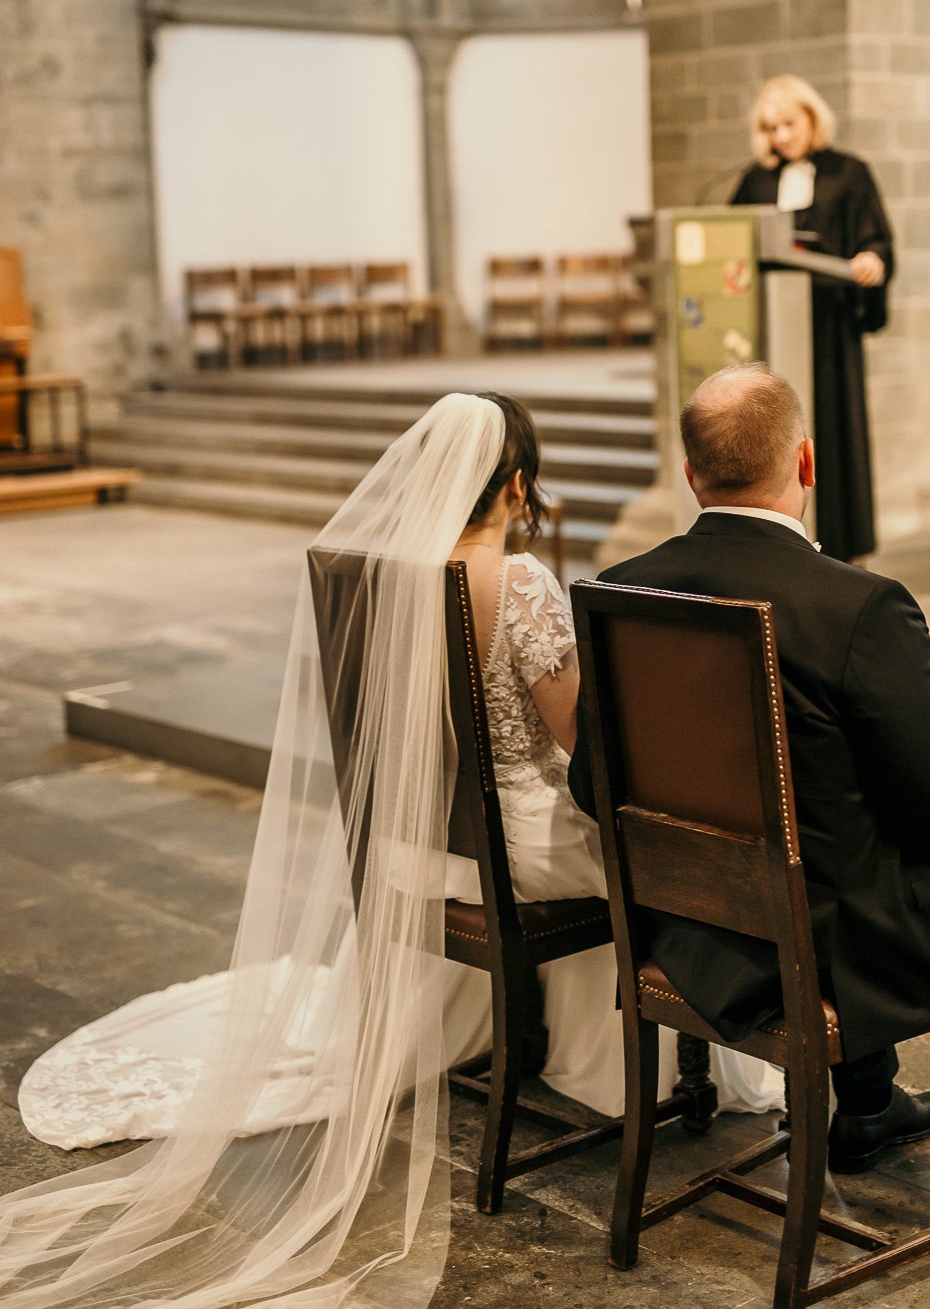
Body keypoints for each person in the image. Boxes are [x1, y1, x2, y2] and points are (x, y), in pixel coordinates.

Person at [1, 392, 778, 1309]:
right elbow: (582, 745)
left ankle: (553, 1042)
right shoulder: (517, 581)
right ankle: (636, 1063)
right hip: (519, 851)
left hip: (417, 847)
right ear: (518, 484)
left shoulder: (380, 575)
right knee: (673, 851)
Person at [569, 365, 930, 1205]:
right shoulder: (857, 605)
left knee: (836, 837)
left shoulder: (619, 590)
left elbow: (593, 786)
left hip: (698, 935)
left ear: (691, 474)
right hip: (830, 941)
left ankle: (868, 1107)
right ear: (805, 462)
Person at [730, 75, 894, 563]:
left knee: (831, 429)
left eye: (789, 124)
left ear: (812, 119)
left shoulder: (849, 173)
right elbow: (732, 240)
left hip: (828, 327)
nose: (781, 136)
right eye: (771, 127)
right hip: (772, 330)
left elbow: (877, 238)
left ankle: (844, 547)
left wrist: (873, 260)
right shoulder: (755, 180)